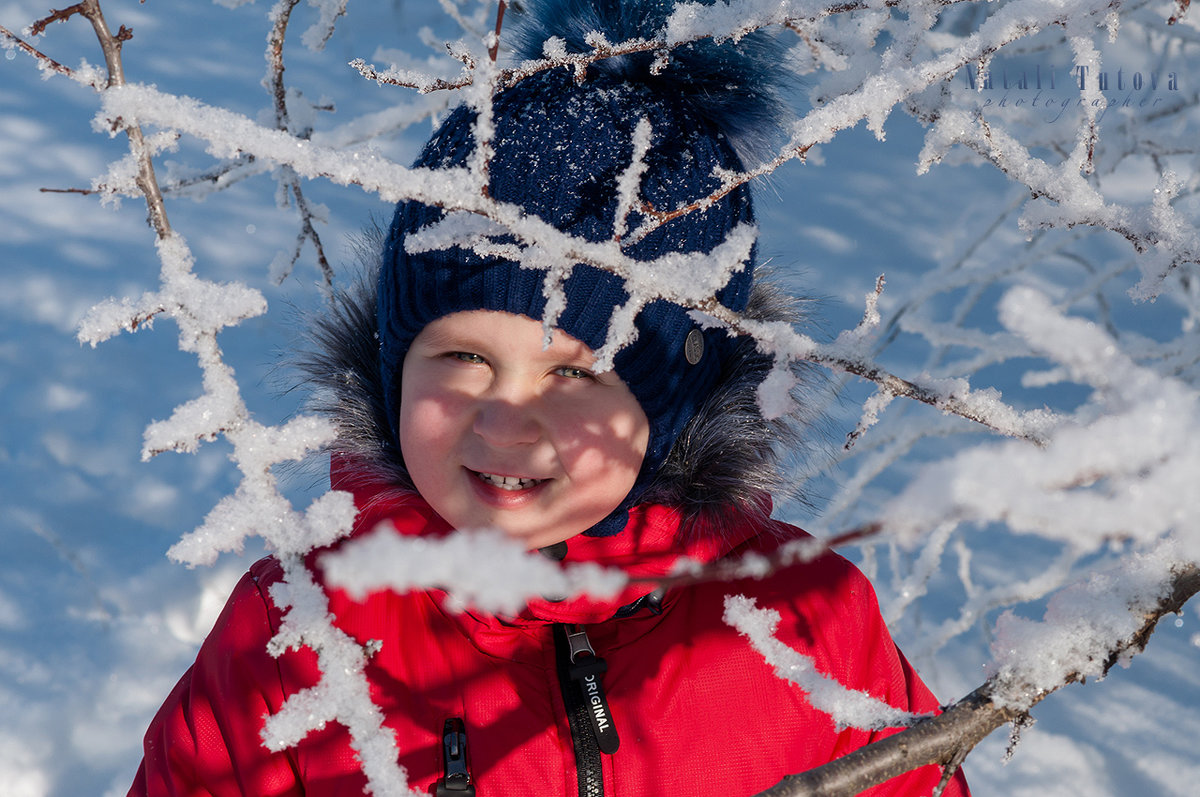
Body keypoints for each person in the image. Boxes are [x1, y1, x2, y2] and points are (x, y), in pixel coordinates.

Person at [129, 1, 971, 795]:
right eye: (460, 355)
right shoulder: (299, 631)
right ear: (392, 369)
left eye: (573, 372)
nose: (503, 421)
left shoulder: (807, 616)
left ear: (677, 403)